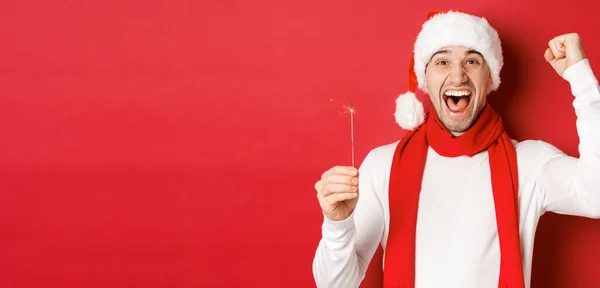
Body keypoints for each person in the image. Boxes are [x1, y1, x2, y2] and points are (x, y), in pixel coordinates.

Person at [312, 10, 600, 288]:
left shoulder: (531, 163)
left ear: (490, 78)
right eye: (442, 62)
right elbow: (334, 284)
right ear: (425, 79)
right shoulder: (381, 165)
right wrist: (337, 224)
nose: (458, 76)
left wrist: (581, 79)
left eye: (472, 61)